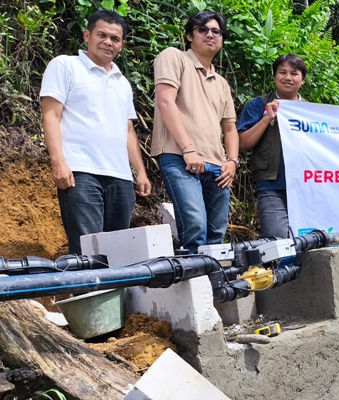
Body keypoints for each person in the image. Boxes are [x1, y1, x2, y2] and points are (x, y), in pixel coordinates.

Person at [40, 10, 151, 254]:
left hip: (120, 176)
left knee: (118, 252)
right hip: (81, 173)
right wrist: (58, 162)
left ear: (122, 44)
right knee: (88, 251)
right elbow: (51, 115)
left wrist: (140, 173)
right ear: (87, 35)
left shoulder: (123, 81)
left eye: (115, 38)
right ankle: (90, 292)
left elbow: (128, 129)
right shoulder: (65, 65)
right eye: (102, 35)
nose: (108, 42)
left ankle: (114, 293)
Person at [151, 10, 239, 253]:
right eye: (203, 29)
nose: (210, 34)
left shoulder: (221, 83)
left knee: (216, 233)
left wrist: (232, 161)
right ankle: (191, 287)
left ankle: (211, 288)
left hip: (218, 166)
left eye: (216, 31)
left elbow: (230, 127)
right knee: (194, 227)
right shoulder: (174, 57)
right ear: (189, 36)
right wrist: (188, 149)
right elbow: (165, 102)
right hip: (180, 157)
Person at [237, 54, 306, 239]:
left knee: (306, 241)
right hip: (271, 184)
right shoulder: (258, 105)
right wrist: (267, 118)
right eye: (282, 72)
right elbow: (242, 143)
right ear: (275, 76)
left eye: (294, 73)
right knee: (277, 238)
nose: (288, 77)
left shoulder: (312, 112)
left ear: (302, 80)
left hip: (305, 187)